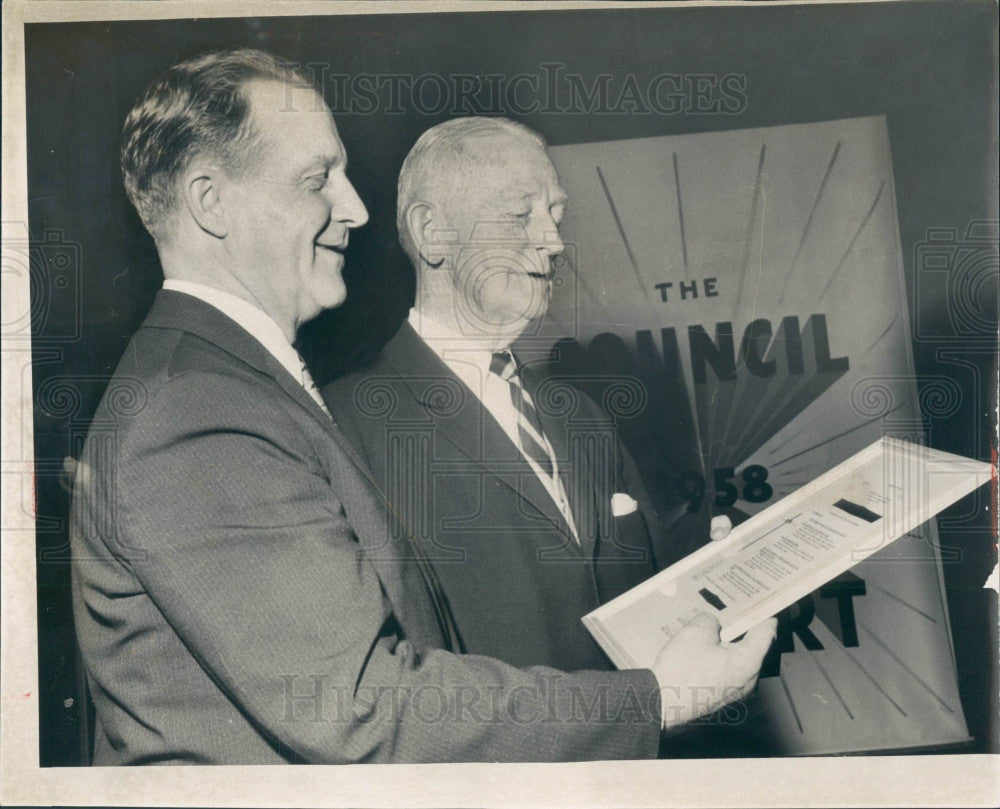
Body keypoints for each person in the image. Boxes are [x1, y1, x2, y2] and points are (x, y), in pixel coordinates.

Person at [70, 48, 776, 766]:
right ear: (209, 201)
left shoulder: (225, 386)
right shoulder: (195, 410)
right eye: (318, 179)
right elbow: (359, 706)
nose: (357, 209)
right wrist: (657, 697)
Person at [321, 117, 671, 671]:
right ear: (433, 232)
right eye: (519, 215)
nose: (554, 242)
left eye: (556, 214)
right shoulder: (342, 428)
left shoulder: (580, 415)